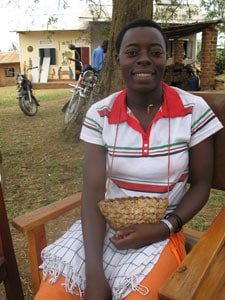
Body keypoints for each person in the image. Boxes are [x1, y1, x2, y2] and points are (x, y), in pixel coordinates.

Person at [35, 19, 223, 300]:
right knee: (51, 294)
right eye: (133, 52)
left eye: (155, 52)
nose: (144, 60)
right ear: (117, 58)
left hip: (161, 232)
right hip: (103, 228)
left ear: (165, 58)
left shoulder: (193, 111)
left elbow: (201, 186)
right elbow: (94, 191)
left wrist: (165, 227)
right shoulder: (100, 114)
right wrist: (94, 272)